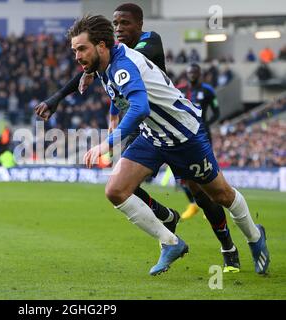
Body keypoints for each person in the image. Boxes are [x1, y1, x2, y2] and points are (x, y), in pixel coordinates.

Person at [35, 3, 240, 272]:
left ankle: (228, 247)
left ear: (139, 26)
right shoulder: (111, 55)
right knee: (122, 183)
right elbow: (107, 71)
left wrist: (86, 73)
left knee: (202, 193)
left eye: (125, 24)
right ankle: (166, 217)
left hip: (176, 128)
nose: (119, 29)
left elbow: (114, 66)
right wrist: (62, 94)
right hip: (147, 129)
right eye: (116, 24)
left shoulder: (147, 43)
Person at [68, 14, 270, 276]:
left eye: (81, 49)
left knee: (221, 195)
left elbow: (140, 107)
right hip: (153, 136)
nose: (77, 56)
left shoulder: (122, 66)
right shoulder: (105, 64)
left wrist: (106, 144)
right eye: (74, 51)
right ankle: (170, 242)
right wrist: (92, 84)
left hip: (183, 136)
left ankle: (255, 238)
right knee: (116, 190)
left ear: (102, 46)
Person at [175, 63, 221, 220]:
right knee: (183, 172)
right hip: (183, 134)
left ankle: (213, 202)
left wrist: (206, 124)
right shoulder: (180, 89)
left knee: (207, 169)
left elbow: (217, 112)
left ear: (200, 73)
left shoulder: (208, 90)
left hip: (202, 135)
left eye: (194, 72)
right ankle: (193, 204)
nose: (192, 74)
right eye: (189, 72)